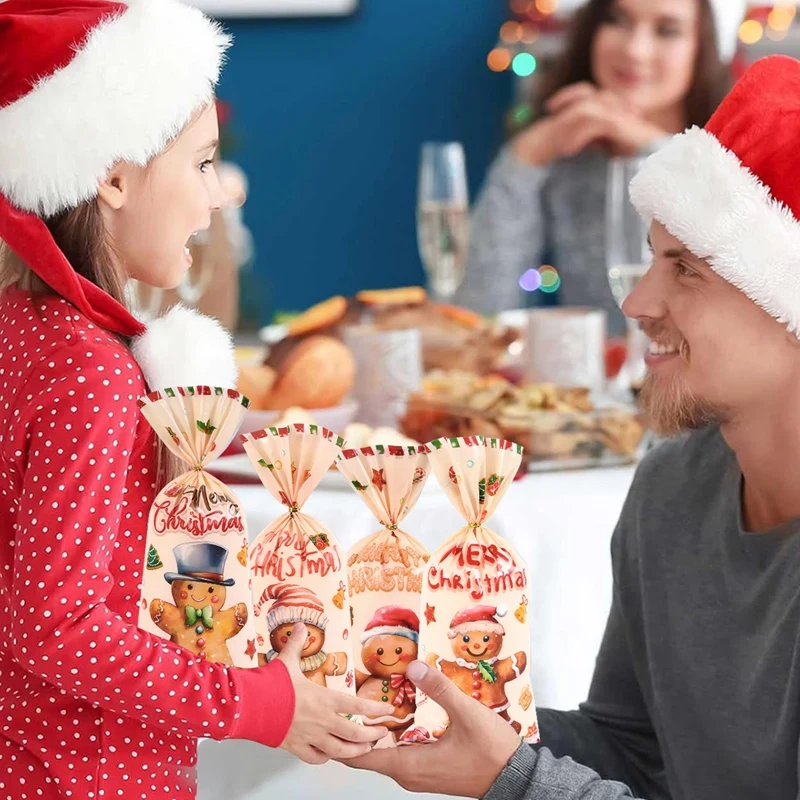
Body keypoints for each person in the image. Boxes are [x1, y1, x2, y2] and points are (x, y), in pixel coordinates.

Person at [347, 54, 800, 799]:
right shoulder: (673, 486)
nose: (638, 302)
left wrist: (516, 779)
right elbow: (634, 749)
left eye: (686, 269)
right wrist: (448, 708)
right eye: (653, 261)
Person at [0, 2, 387, 798]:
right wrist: (260, 704)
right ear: (112, 176)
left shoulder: (24, 330)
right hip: (86, 778)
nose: (218, 197)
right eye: (202, 163)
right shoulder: (92, 373)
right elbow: (57, 626)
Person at [456, 0, 746, 334]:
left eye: (667, 30)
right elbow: (474, 315)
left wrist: (649, 147)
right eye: (616, 19)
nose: (635, 50)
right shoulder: (569, 155)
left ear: (704, 46)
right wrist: (526, 155)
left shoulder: (740, 161)